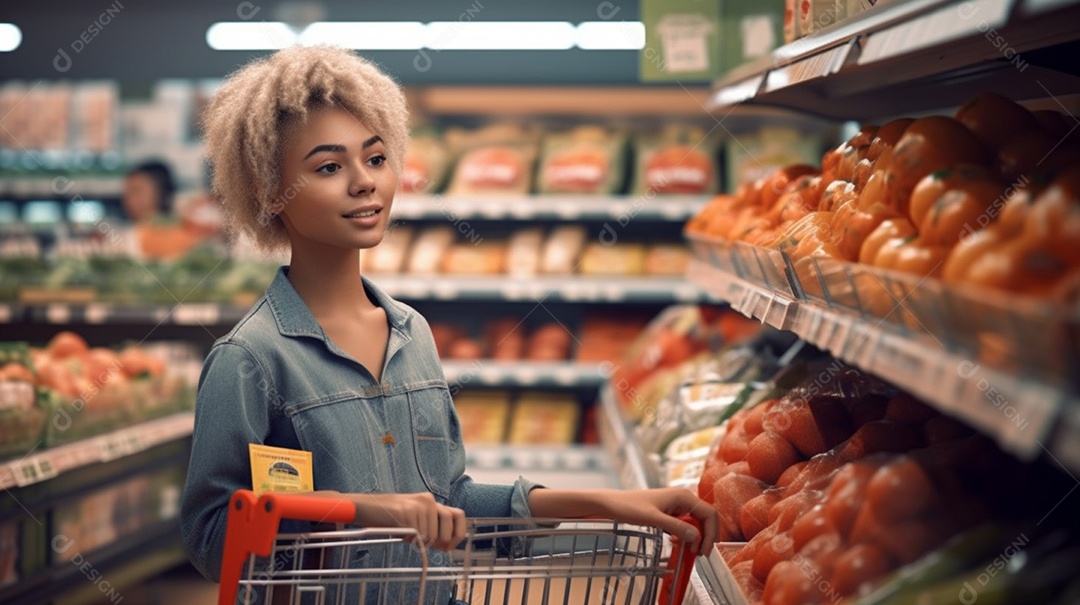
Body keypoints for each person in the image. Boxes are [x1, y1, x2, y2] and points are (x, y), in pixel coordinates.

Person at [179, 45, 718, 601]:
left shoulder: (412, 333)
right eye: (329, 167)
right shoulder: (250, 359)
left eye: (377, 158)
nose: (364, 182)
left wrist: (608, 503)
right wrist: (361, 512)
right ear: (270, 193)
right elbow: (211, 538)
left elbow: (449, 500)